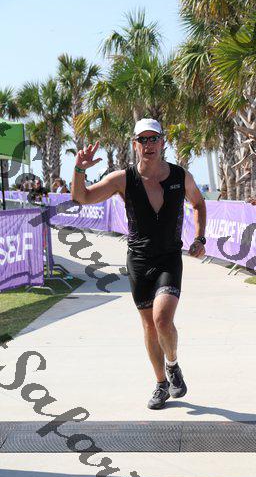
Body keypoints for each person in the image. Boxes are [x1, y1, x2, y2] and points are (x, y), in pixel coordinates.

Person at [71, 118, 207, 410]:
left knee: (162, 319)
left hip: (169, 258)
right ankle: (161, 384)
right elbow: (81, 197)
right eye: (142, 140)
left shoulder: (180, 176)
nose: (148, 145)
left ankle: (173, 365)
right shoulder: (123, 179)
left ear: (162, 142)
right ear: (135, 145)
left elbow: (198, 203)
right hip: (139, 260)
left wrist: (200, 238)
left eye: (153, 138)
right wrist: (79, 169)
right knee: (149, 325)